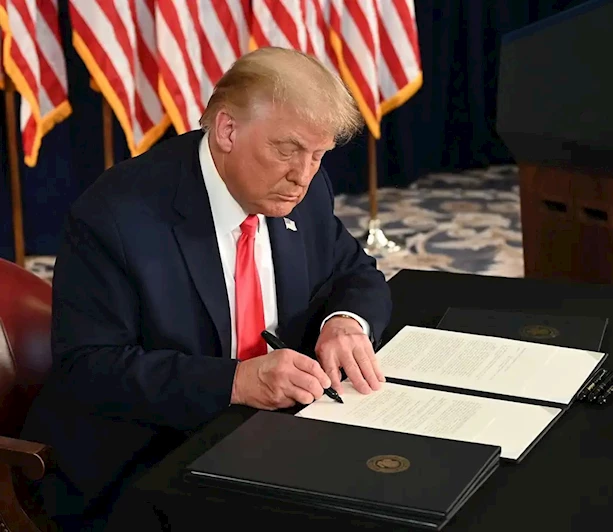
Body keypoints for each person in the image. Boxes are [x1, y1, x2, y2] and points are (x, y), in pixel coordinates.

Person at [20, 47, 392, 530]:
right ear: (227, 130)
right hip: (147, 462)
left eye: (318, 155)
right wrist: (235, 382)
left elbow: (355, 271)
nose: (302, 176)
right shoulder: (115, 216)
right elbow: (90, 367)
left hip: (270, 439)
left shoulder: (304, 191)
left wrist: (344, 323)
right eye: (287, 150)